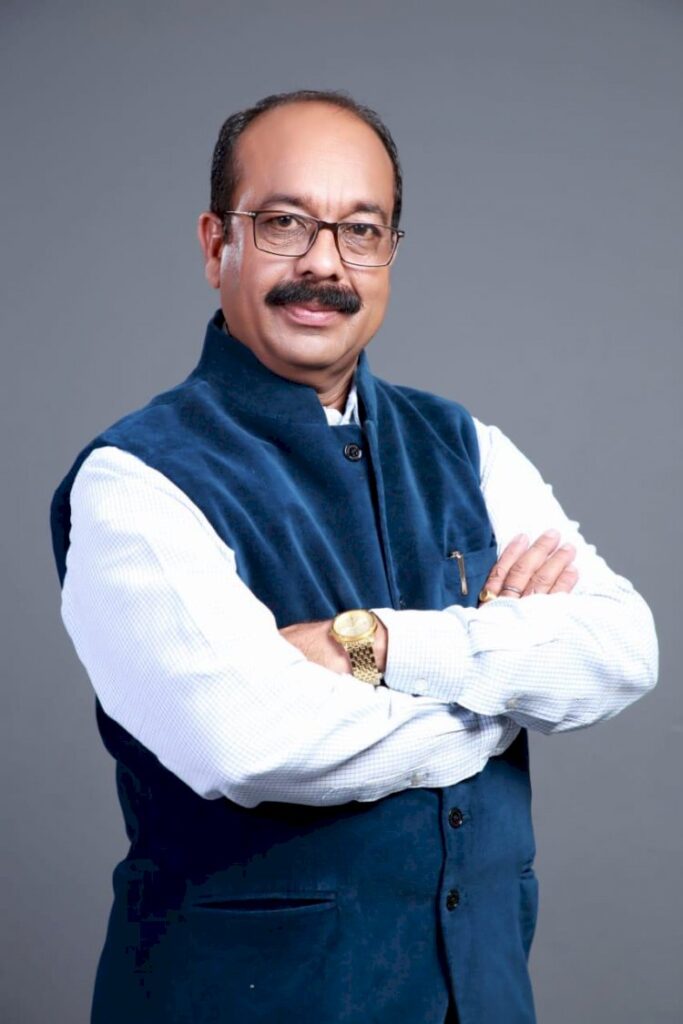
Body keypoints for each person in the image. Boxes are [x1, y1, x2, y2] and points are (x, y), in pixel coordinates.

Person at [50, 90, 657, 1024]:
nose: (324, 264)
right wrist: (499, 706)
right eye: (284, 223)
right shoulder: (134, 480)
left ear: (389, 256)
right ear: (216, 245)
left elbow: (621, 650)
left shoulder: (465, 444)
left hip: (485, 996)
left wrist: (370, 644)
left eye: (360, 231)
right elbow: (253, 743)